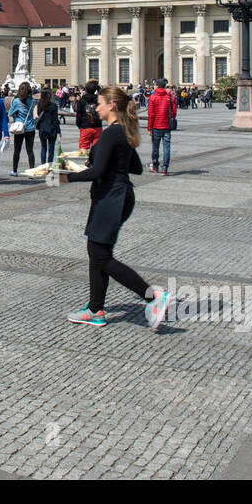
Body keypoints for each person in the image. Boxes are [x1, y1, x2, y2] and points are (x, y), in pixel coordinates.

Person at [63, 85, 171, 331]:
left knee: (101, 255)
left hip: (111, 198)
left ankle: (152, 297)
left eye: (99, 103)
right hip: (118, 195)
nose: (96, 107)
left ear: (111, 106)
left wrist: (64, 177)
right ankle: (95, 309)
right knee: (97, 251)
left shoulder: (113, 133)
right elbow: (135, 167)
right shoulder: (121, 131)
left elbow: (98, 172)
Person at [147, 78, 176, 175]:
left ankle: (155, 166)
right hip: (167, 126)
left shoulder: (153, 97)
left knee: (155, 148)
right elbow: (174, 113)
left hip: (156, 126)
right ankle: (164, 168)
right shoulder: (170, 97)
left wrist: (149, 128)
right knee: (166, 148)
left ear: (157, 86)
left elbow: (151, 114)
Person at [7, 82, 37, 176]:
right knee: (30, 150)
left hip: (19, 127)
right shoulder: (33, 101)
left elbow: (10, 113)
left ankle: (14, 170)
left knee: (17, 150)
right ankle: (32, 171)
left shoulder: (16, 101)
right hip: (30, 128)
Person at [34, 87, 61, 164]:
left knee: (43, 148)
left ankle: (43, 164)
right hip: (52, 129)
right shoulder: (53, 105)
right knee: (51, 149)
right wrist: (59, 131)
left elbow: (39, 116)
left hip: (42, 129)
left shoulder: (39, 104)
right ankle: (49, 165)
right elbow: (55, 120)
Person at [76, 80, 103, 150]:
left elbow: (78, 115)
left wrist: (79, 125)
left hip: (85, 127)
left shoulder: (81, 101)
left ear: (86, 90)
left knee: (83, 148)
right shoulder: (99, 100)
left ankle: (85, 161)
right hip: (97, 127)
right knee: (97, 149)